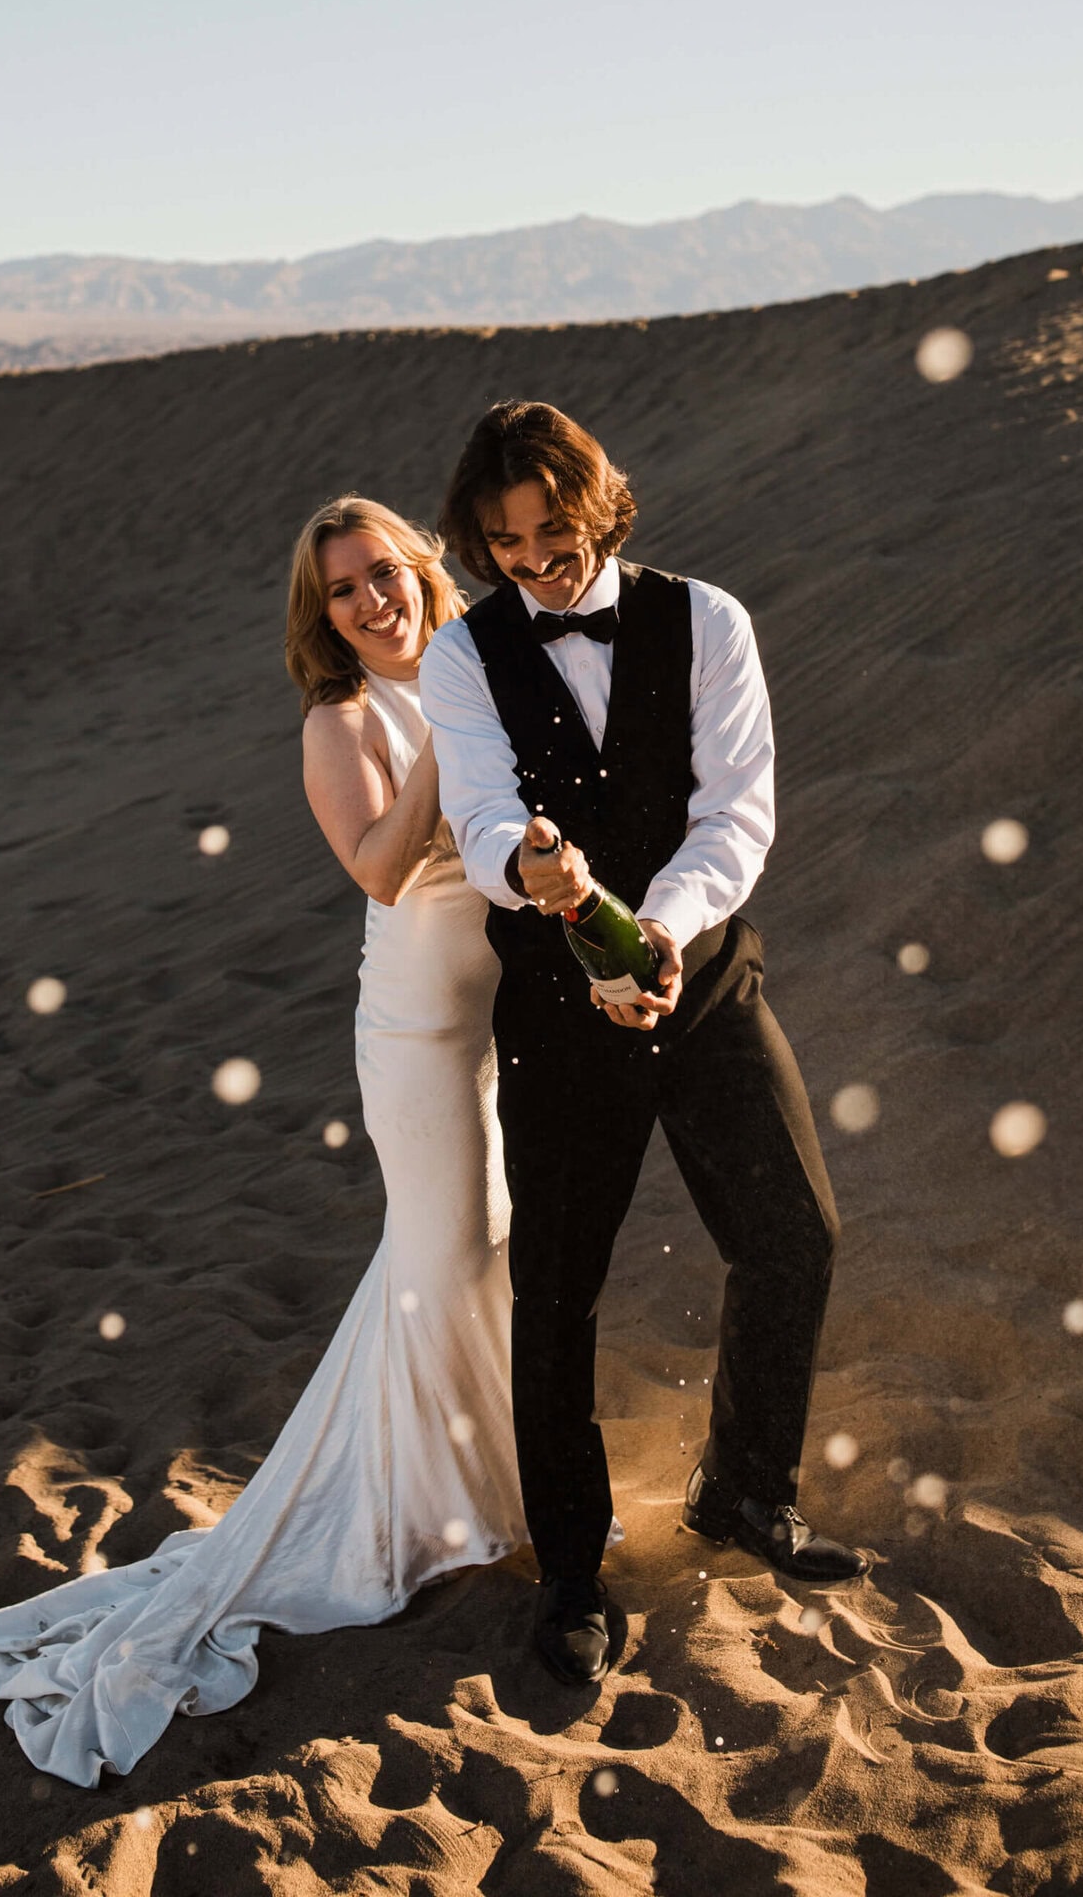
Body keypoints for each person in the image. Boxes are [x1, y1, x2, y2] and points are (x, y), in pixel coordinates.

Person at [0, 497, 525, 1785]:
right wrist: (448, 726)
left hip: (505, 1016)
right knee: (447, 1256)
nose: (372, 600)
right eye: (344, 591)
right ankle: (427, 1516)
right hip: (419, 1032)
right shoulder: (342, 721)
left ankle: (479, 1488)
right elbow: (379, 866)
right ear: (325, 616)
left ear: (423, 568)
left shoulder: (487, 664)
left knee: (483, 1251)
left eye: (384, 572)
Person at [421, 401, 869, 1688]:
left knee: (794, 1232)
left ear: (599, 506)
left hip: (709, 979)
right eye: (505, 543)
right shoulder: (464, 655)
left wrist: (659, 929)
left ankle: (745, 1487)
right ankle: (571, 1567)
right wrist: (531, 866)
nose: (533, 562)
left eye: (551, 531)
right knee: (558, 1289)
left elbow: (736, 813)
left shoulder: (708, 620)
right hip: (557, 1016)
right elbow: (481, 812)